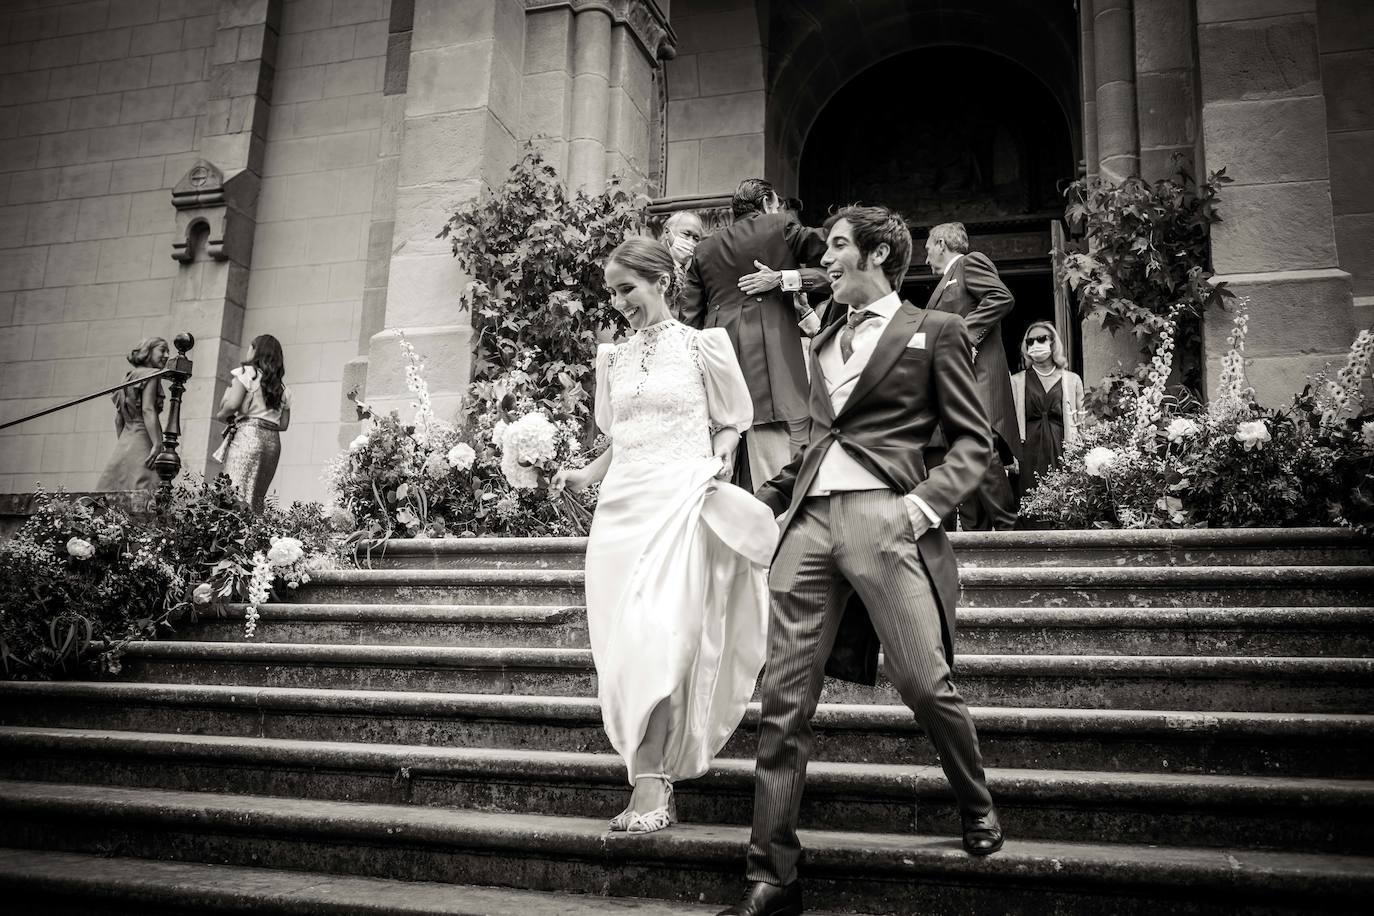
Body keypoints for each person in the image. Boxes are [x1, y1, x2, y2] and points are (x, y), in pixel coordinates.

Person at [718, 206, 1002, 916]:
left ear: (877, 254)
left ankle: (975, 799)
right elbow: (819, 440)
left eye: (838, 247)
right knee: (783, 701)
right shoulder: (826, 339)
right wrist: (762, 496)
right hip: (810, 526)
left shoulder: (934, 330)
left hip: (887, 517)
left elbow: (974, 443)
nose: (827, 261)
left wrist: (922, 506)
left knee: (922, 680)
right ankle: (773, 875)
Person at [553, 238, 776, 836]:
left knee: (663, 637)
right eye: (612, 292)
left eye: (627, 288)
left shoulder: (704, 346)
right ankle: (646, 768)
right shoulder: (611, 358)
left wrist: (724, 459)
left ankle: (651, 781)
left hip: (678, 500)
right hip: (620, 512)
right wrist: (585, 473)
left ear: (662, 280)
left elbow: (731, 423)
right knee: (623, 647)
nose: (619, 302)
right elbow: (621, 435)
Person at [679, 178, 829, 492]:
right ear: (766, 203)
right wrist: (788, 278)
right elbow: (837, 258)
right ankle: (771, 526)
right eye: (776, 205)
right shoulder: (780, 225)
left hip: (716, 351)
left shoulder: (704, 249)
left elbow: (689, 320)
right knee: (771, 461)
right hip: (767, 355)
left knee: (722, 453)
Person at [924, 221, 1020, 530]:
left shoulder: (969, 262)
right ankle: (976, 533)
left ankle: (1008, 528)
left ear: (941, 244)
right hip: (958, 379)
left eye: (927, 250)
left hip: (978, 376)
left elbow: (1001, 297)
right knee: (967, 447)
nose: (925, 260)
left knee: (979, 443)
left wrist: (964, 335)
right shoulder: (945, 282)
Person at [213, 334, 291, 512]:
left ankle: (231, 536)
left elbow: (232, 404)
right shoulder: (283, 389)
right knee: (257, 496)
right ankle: (254, 535)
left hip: (248, 436)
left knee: (234, 491)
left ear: (256, 351)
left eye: (250, 347)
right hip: (272, 442)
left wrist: (221, 414)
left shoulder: (247, 374)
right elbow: (284, 424)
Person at [1011, 320, 1084, 500]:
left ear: (1053, 342)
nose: (1035, 345)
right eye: (1030, 341)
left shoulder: (1072, 380)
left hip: (1062, 450)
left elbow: (1081, 423)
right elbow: (1010, 425)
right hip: (1028, 455)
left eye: (1041, 339)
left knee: (1063, 503)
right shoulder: (1016, 381)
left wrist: (1080, 456)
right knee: (1030, 507)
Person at [96, 337, 169, 491]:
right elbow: (147, 409)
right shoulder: (152, 374)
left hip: (125, 440)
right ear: (148, 352)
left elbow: (118, 420)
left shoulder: (128, 376)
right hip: (144, 439)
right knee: (144, 492)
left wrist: (125, 446)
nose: (167, 355)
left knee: (118, 490)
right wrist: (157, 443)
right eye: (162, 350)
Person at [662, 210, 706, 321]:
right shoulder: (651, 264)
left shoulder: (695, 273)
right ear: (667, 232)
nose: (690, 242)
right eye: (686, 234)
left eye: (696, 239)